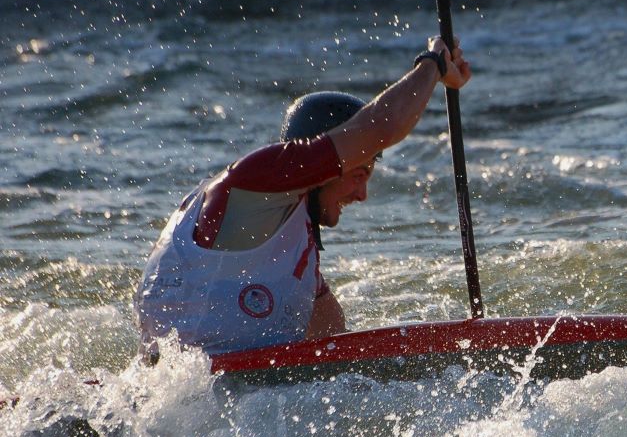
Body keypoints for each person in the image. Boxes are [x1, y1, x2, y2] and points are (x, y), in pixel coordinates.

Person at [133, 36, 470, 356]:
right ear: (321, 167)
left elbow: (331, 334)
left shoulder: (286, 231)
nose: (362, 194)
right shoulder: (256, 182)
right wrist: (434, 63)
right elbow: (382, 127)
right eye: (358, 174)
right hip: (189, 397)